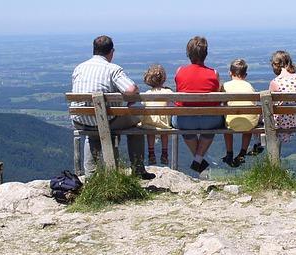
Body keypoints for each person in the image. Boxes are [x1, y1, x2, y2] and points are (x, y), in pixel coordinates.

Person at [71, 35, 155, 179]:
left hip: (80, 120)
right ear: (111, 52)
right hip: (107, 121)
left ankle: (90, 176)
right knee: (137, 125)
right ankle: (138, 170)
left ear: (94, 50)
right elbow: (130, 89)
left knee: (93, 132)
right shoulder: (113, 69)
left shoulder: (79, 68)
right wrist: (133, 94)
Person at [173, 36, 222, 173]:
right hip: (210, 120)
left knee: (184, 126)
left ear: (188, 53)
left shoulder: (179, 71)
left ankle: (198, 159)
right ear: (205, 54)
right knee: (210, 128)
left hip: (185, 120)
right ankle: (198, 159)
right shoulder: (214, 73)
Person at [221, 59, 260, 167]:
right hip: (250, 123)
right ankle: (242, 152)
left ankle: (229, 152)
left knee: (226, 126)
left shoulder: (225, 85)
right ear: (245, 74)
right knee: (248, 120)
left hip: (231, 123)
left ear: (230, 73)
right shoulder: (249, 86)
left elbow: (221, 103)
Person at [269, 50, 296, 143]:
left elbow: (268, 105)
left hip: (281, 122)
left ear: (275, 65)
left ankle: (258, 145)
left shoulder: (275, 82)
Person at [141, 64, 173, 166]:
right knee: (164, 132)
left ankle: (151, 153)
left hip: (148, 123)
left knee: (150, 130)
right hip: (164, 124)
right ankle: (164, 153)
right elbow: (174, 105)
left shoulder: (146, 93)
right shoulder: (168, 92)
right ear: (163, 79)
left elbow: (143, 106)